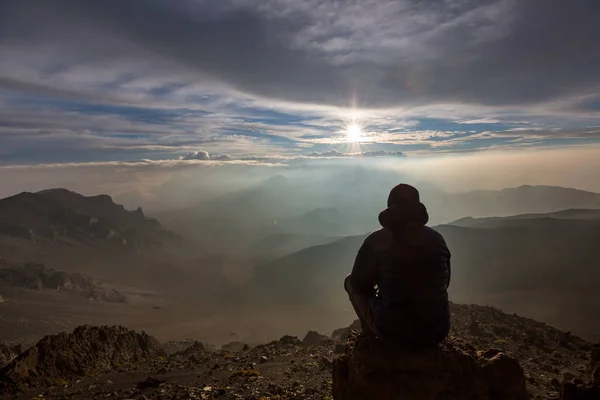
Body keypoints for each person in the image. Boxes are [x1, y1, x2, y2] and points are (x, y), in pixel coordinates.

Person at [344, 183, 451, 349]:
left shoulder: (377, 240)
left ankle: (371, 336)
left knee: (349, 282)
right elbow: (445, 282)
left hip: (394, 333)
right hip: (437, 332)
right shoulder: (437, 239)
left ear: (390, 206)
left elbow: (359, 285)